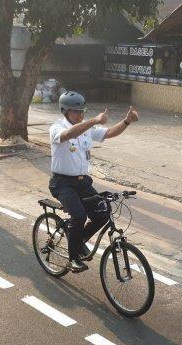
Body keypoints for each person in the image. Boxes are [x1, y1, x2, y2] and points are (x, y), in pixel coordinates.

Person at [48, 91, 138, 272]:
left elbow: (109, 132)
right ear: (65, 111)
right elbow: (67, 135)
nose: (80, 115)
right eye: (76, 112)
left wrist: (127, 121)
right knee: (79, 216)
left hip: (82, 183)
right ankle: (73, 259)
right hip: (62, 183)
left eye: (82, 111)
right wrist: (95, 120)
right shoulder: (57, 127)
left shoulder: (86, 129)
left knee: (102, 214)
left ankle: (78, 239)